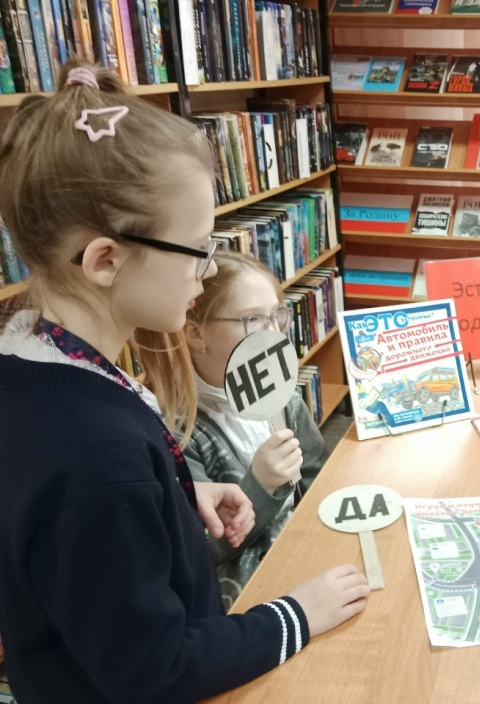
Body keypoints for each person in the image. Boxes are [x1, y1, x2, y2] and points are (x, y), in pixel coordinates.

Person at [0, 60, 368, 703]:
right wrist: (294, 616)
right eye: (198, 247)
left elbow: (71, 530)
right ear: (106, 260)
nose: (208, 271)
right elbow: (155, 670)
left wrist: (173, 496)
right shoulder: (94, 453)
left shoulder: (32, 357)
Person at [183, 251, 326, 611]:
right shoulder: (179, 431)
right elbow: (204, 551)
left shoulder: (283, 396)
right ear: (196, 332)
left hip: (307, 555)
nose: (274, 333)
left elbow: (317, 481)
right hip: (247, 596)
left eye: (277, 315)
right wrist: (260, 485)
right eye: (252, 319)